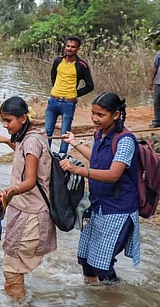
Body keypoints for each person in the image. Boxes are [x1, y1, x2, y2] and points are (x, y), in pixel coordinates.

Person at [59, 92, 141, 284]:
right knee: (86, 261)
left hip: (118, 210)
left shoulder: (125, 141)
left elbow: (113, 174)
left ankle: (115, 297)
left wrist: (78, 170)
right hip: (96, 206)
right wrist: (74, 142)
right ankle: (94, 303)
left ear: (116, 115)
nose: (95, 119)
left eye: (101, 115)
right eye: (93, 114)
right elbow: (96, 159)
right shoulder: (100, 134)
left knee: (102, 266)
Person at [0, 96, 57, 301]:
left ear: (23, 118)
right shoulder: (29, 138)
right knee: (13, 267)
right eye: (3, 120)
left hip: (32, 214)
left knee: (12, 269)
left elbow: (29, 181)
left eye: (8, 120)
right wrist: (6, 141)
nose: (5, 125)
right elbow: (25, 155)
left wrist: (9, 191)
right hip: (24, 210)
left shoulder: (32, 142)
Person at [44, 35, 95, 156]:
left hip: (68, 103)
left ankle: (62, 156)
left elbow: (90, 85)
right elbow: (53, 75)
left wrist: (74, 94)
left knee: (65, 133)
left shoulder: (81, 65)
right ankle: (46, 154)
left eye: (73, 47)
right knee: (47, 131)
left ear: (78, 49)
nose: (69, 49)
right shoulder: (58, 61)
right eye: (68, 46)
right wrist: (55, 88)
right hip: (53, 101)